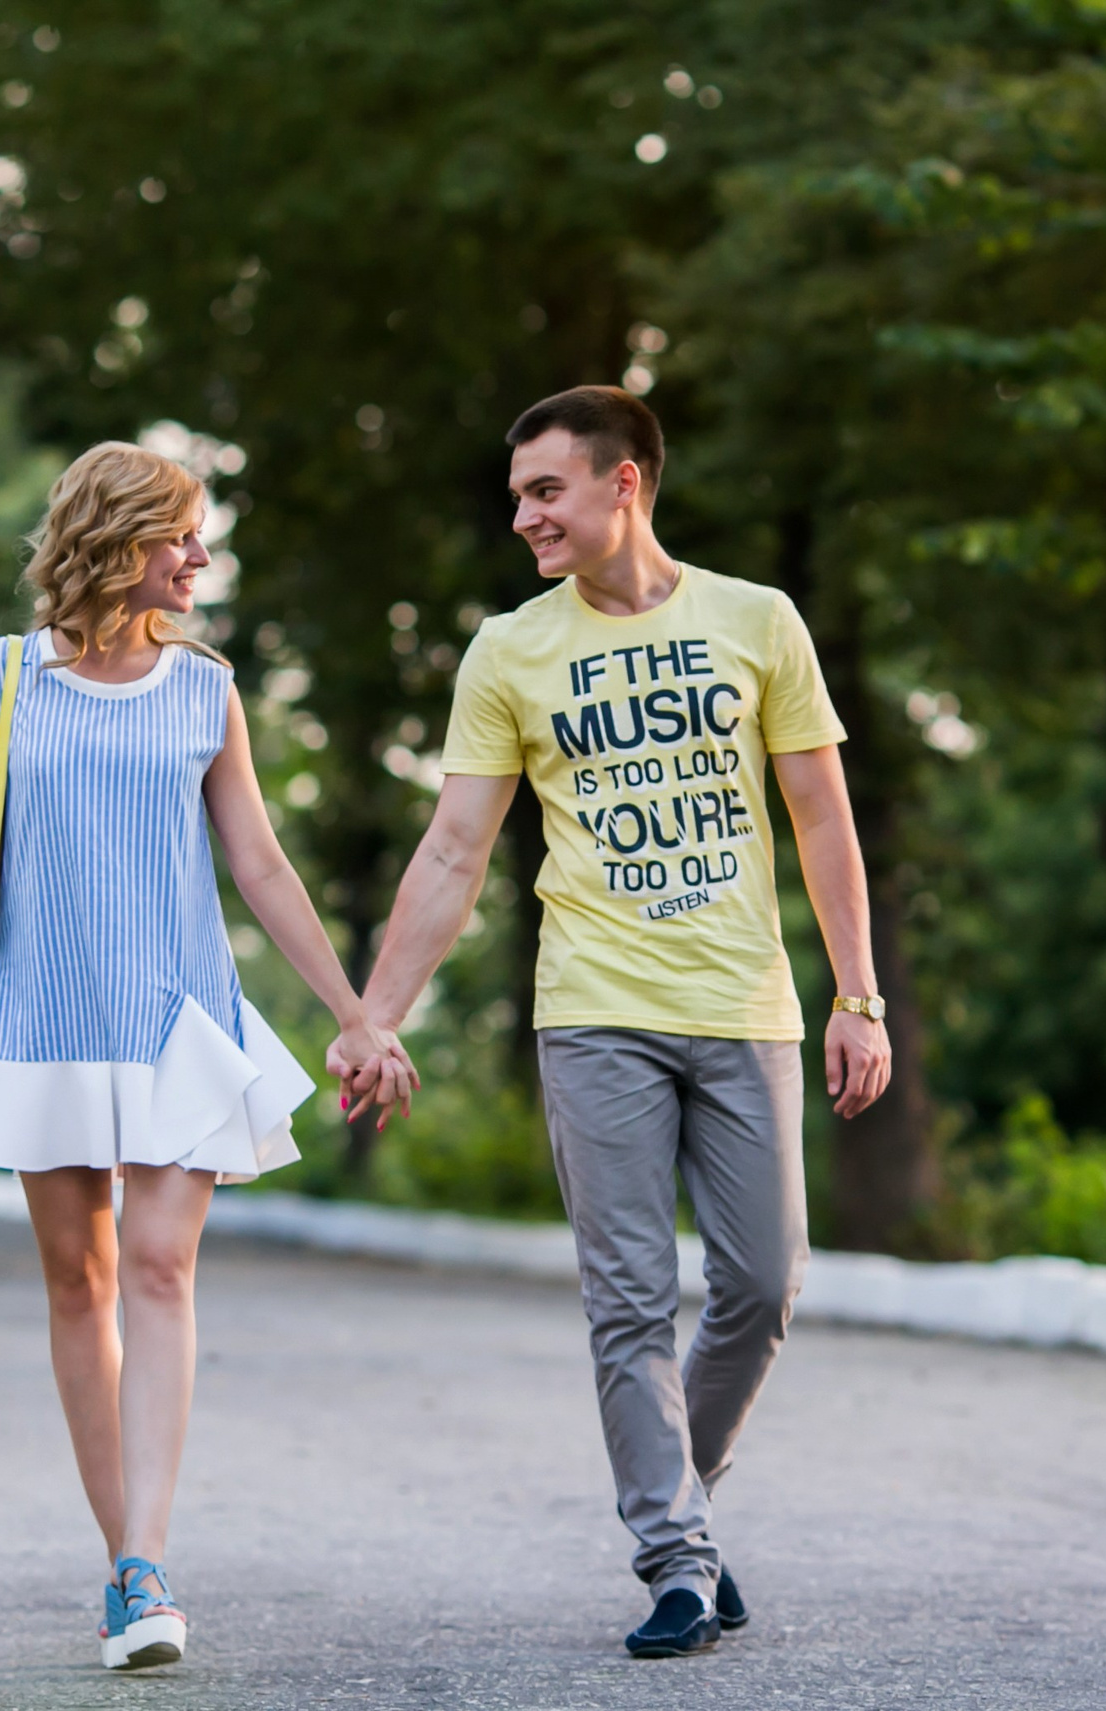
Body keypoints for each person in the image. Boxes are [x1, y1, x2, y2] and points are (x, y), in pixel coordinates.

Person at [347, 386, 893, 1659]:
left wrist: (855, 995)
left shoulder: (756, 622)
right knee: (630, 1297)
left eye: (547, 490)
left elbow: (822, 816)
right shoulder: (509, 651)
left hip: (744, 1005)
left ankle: (680, 1509)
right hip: (593, 1011)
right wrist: (377, 1014)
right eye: (519, 495)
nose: (525, 515)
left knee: (762, 1285)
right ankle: (676, 1555)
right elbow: (450, 851)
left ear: (622, 484)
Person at [0, 441, 413, 1674]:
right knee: (79, 1285)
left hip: (176, 1018)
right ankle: (121, 1563)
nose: (200, 558)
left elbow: (259, 864)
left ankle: (145, 1562)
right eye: (182, 534)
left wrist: (354, 1013)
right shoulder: (2, 677)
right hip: (39, 1015)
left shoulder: (208, 689)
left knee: (156, 1267)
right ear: (117, 535)